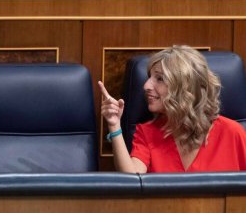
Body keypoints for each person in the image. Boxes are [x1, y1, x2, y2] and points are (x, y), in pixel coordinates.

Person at [99, 45, 246, 173]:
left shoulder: (233, 133)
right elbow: (131, 181)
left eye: (160, 79)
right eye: (149, 77)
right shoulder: (147, 133)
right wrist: (114, 125)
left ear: (185, 88)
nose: (146, 86)